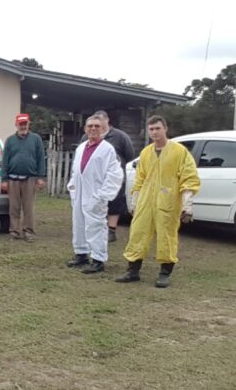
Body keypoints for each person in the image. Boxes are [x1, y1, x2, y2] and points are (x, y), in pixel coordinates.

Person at [116, 115, 200, 288]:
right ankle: (133, 271)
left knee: (167, 236)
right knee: (138, 233)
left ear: (165, 129)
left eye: (157, 128)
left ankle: (164, 273)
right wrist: (135, 200)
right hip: (146, 201)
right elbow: (140, 179)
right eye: (151, 129)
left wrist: (187, 204)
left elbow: (189, 178)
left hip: (168, 201)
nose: (154, 132)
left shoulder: (179, 152)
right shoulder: (146, 152)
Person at [66, 116, 124, 273]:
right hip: (79, 192)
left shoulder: (107, 149)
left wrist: (103, 195)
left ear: (103, 128)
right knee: (78, 223)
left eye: (97, 126)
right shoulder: (81, 147)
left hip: (96, 193)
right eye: (90, 126)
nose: (93, 129)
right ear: (85, 129)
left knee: (96, 226)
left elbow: (114, 174)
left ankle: (98, 259)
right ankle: (81, 254)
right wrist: (72, 186)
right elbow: (75, 170)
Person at [80, 110, 135, 242]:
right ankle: (94, 227)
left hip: (114, 177)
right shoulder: (85, 138)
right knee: (94, 202)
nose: (95, 127)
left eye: (100, 122)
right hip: (94, 177)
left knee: (114, 204)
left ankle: (111, 230)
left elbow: (130, 155)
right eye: (91, 125)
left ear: (107, 121)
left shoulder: (120, 136)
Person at [0, 113, 46, 241]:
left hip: (30, 178)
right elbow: (5, 161)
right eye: (21, 124)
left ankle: (28, 231)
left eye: (25, 123)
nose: (23, 126)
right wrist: (4, 179)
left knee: (28, 207)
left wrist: (40, 177)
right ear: (16, 125)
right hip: (12, 179)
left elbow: (41, 159)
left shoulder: (36, 139)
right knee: (14, 207)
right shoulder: (10, 140)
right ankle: (14, 231)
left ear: (29, 124)